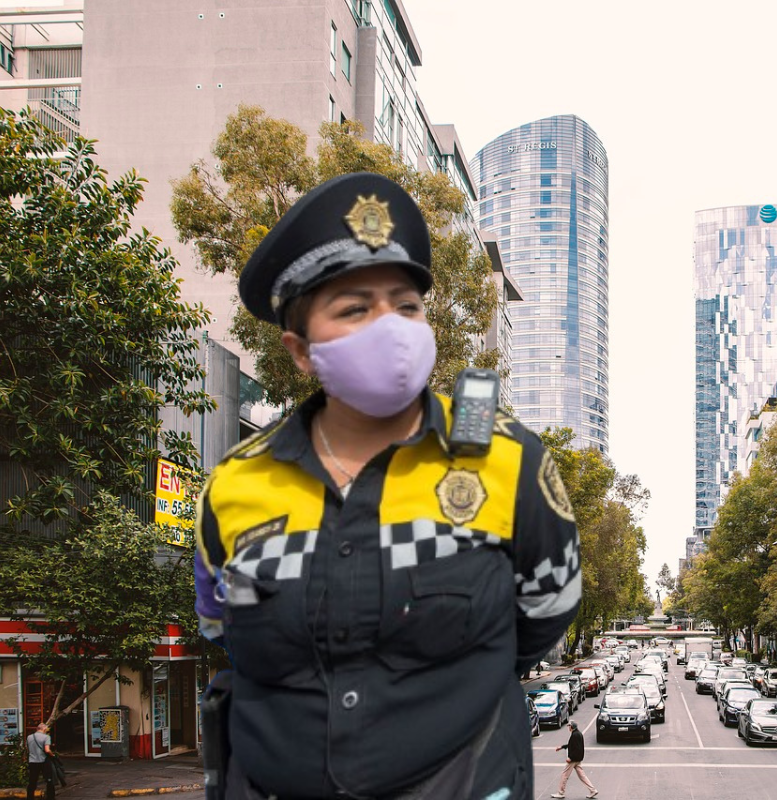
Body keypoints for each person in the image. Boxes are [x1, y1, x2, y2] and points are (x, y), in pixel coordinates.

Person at [193, 172, 581, 799]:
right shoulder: (236, 484)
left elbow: (547, 612)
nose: (391, 326)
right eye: (354, 308)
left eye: (406, 306)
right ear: (299, 350)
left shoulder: (507, 460)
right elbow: (217, 628)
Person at [550, 720, 597, 799]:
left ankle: (561, 792)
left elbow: (576, 748)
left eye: (569, 726)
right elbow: (571, 745)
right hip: (578, 759)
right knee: (582, 776)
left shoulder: (575, 735)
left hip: (573, 759)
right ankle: (593, 790)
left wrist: (570, 758)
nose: (568, 727)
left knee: (564, 775)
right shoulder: (578, 734)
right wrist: (561, 747)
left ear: (571, 727)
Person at [25, 723, 54, 800]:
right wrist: (53, 755)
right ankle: (51, 797)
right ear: (44, 729)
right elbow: (47, 750)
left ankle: (30, 797)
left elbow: (27, 749)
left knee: (32, 781)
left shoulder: (29, 737)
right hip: (43, 761)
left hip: (32, 761)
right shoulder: (46, 737)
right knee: (49, 780)